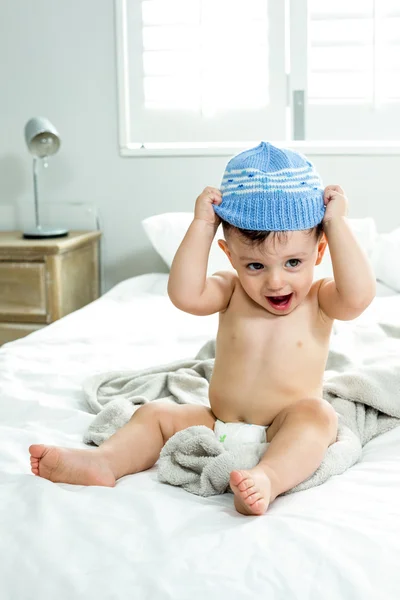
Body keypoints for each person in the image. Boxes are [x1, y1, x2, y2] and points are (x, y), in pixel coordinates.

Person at [29, 142, 376, 516]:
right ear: (230, 255)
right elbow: (185, 294)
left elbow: (358, 297)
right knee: (155, 414)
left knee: (319, 417)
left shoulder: (321, 299)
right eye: (255, 266)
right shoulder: (230, 290)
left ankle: (268, 477)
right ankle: (105, 463)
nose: (276, 282)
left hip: (283, 426)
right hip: (217, 422)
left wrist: (336, 223)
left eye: (293, 262)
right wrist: (202, 225)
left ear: (319, 253)